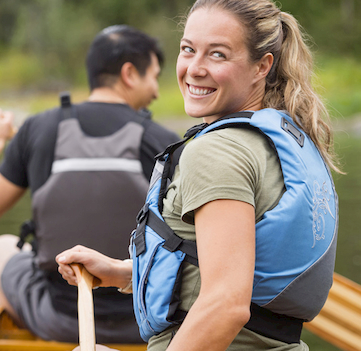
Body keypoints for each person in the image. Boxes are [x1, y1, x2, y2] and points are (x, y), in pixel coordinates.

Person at [57, 0, 341, 350]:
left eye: (217, 55)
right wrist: (122, 272)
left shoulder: (217, 152)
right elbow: (230, 268)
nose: (194, 69)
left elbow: (227, 305)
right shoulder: (282, 140)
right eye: (188, 50)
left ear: (261, 67)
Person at [0, 25, 181, 343]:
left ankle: (32, 326)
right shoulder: (163, 141)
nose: (157, 92)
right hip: (145, 323)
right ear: (130, 74)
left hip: (60, 320)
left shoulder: (39, 129)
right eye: (154, 77)